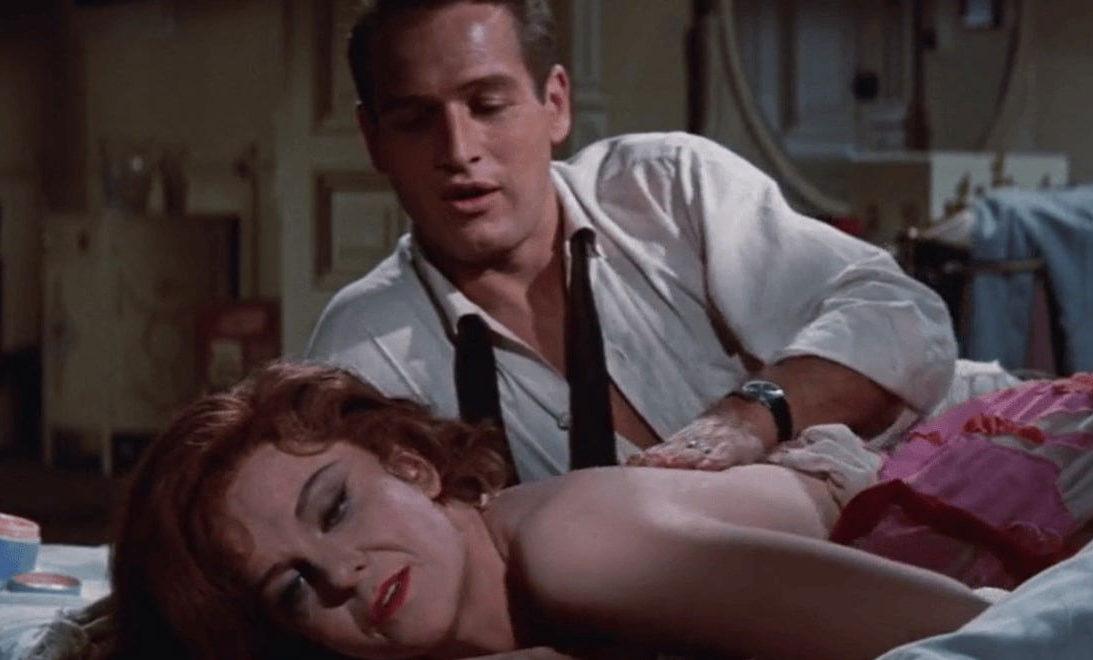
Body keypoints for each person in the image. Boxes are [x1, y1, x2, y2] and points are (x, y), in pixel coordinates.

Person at [83, 361, 989, 660]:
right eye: (289, 586)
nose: (340, 574)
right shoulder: (375, 659)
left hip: (969, 507)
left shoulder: (573, 548)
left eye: (336, 509)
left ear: (411, 466)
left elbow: (972, 639)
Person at [305, 0, 959, 482]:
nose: (458, 150)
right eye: (415, 120)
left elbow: (900, 313)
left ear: (555, 104)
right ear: (374, 141)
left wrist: (751, 416)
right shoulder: (362, 351)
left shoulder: (666, 189)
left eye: (488, 105)